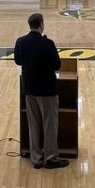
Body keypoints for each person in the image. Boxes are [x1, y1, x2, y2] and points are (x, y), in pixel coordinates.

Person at [13, 12, 67, 170]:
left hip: (29, 88)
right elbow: (57, 65)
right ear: (41, 25)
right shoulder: (47, 43)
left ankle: (36, 158)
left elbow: (18, 61)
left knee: (33, 124)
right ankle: (51, 158)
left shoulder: (20, 42)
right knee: (49, 124)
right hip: (47, 90)